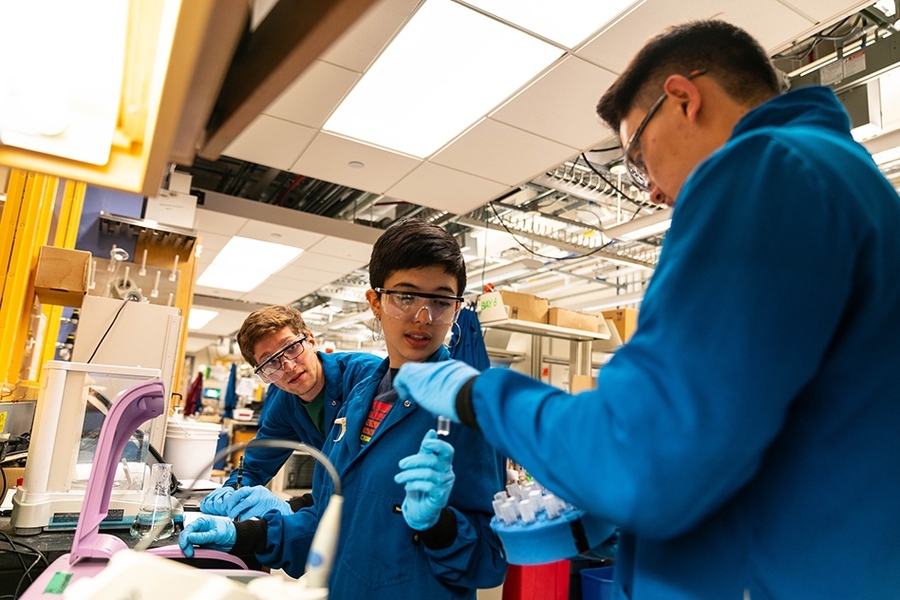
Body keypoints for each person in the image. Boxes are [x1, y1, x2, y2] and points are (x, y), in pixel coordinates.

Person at [392, 20, 900, 600]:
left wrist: (476, 393)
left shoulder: (762, 169)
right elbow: (748, 442)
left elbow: (643, 456)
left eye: (637, 156)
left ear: (684, 99)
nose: (651, 190)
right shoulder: (851, 184)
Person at [180, 218, 508, 599]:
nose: (424, 317)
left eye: (440, 300)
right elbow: (328, 518)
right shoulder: (361, 397)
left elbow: (490, 560)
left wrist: (439, 525)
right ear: (375, 302)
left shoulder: (469, 409)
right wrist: (243, 534)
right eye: (406, 296)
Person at [200, 305, 381, 519]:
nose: (288, 366)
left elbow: (373, 462)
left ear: (311, 341)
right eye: (270, 363)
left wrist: (295, 508)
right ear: (263, 375)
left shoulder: (367, 376)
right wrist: (231, 492)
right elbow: (255, 466)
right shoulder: (284, 402)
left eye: (292, 347)